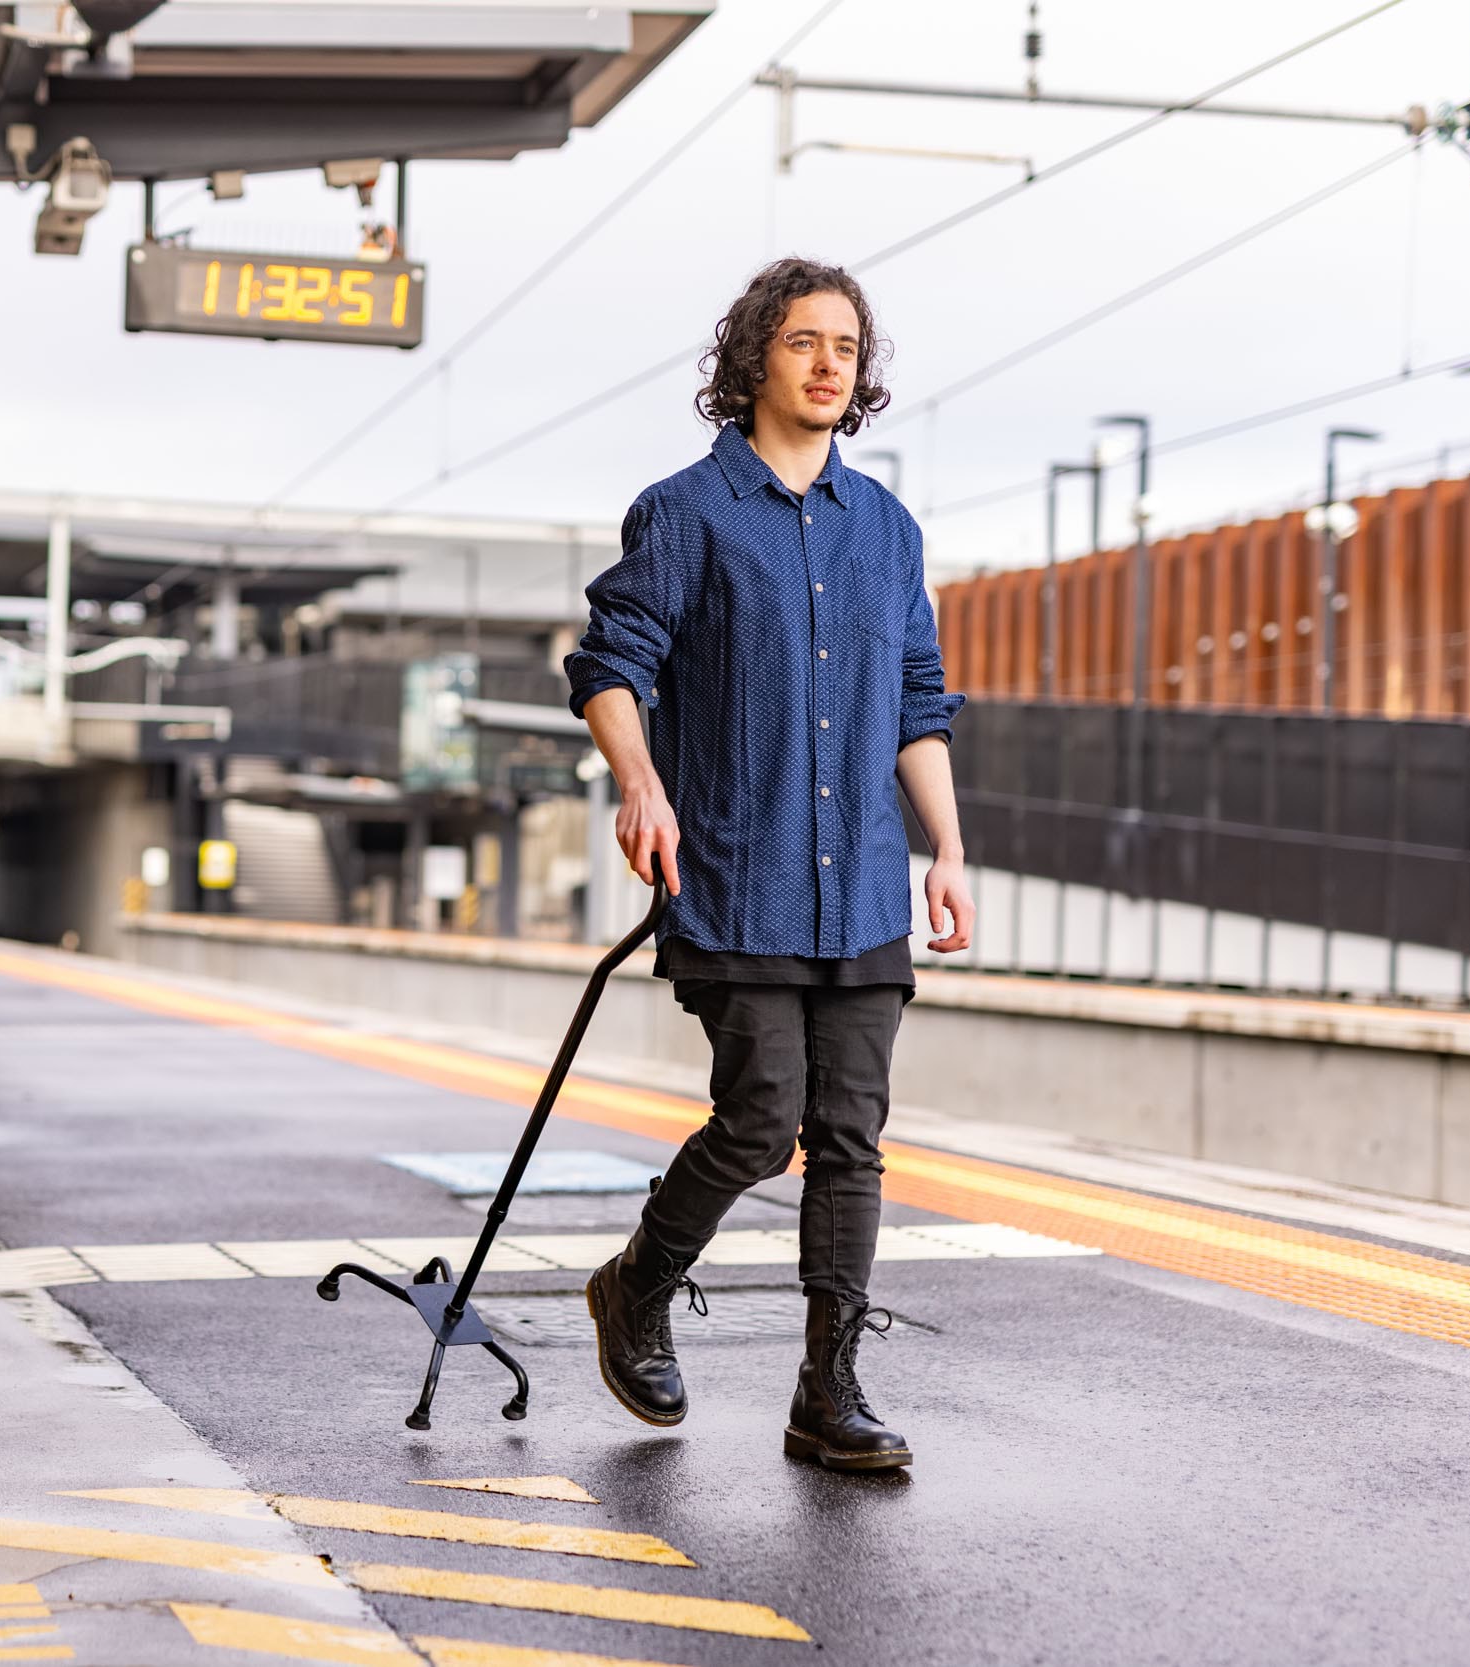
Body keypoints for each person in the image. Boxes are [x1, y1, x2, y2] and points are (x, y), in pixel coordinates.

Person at [563, 257, 975, 1472]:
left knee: (850, 1135)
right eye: (803, 340)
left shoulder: (887, 529)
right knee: (759, 1120)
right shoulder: (685, 511)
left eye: (846, 345)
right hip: (737, 871)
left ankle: (828, 1387)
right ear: (754, 360)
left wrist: (948, 846)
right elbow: (610, 664)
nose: (829, 362)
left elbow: (914, 699)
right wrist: (640, 778)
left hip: (862, 886)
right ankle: (635, 1285)